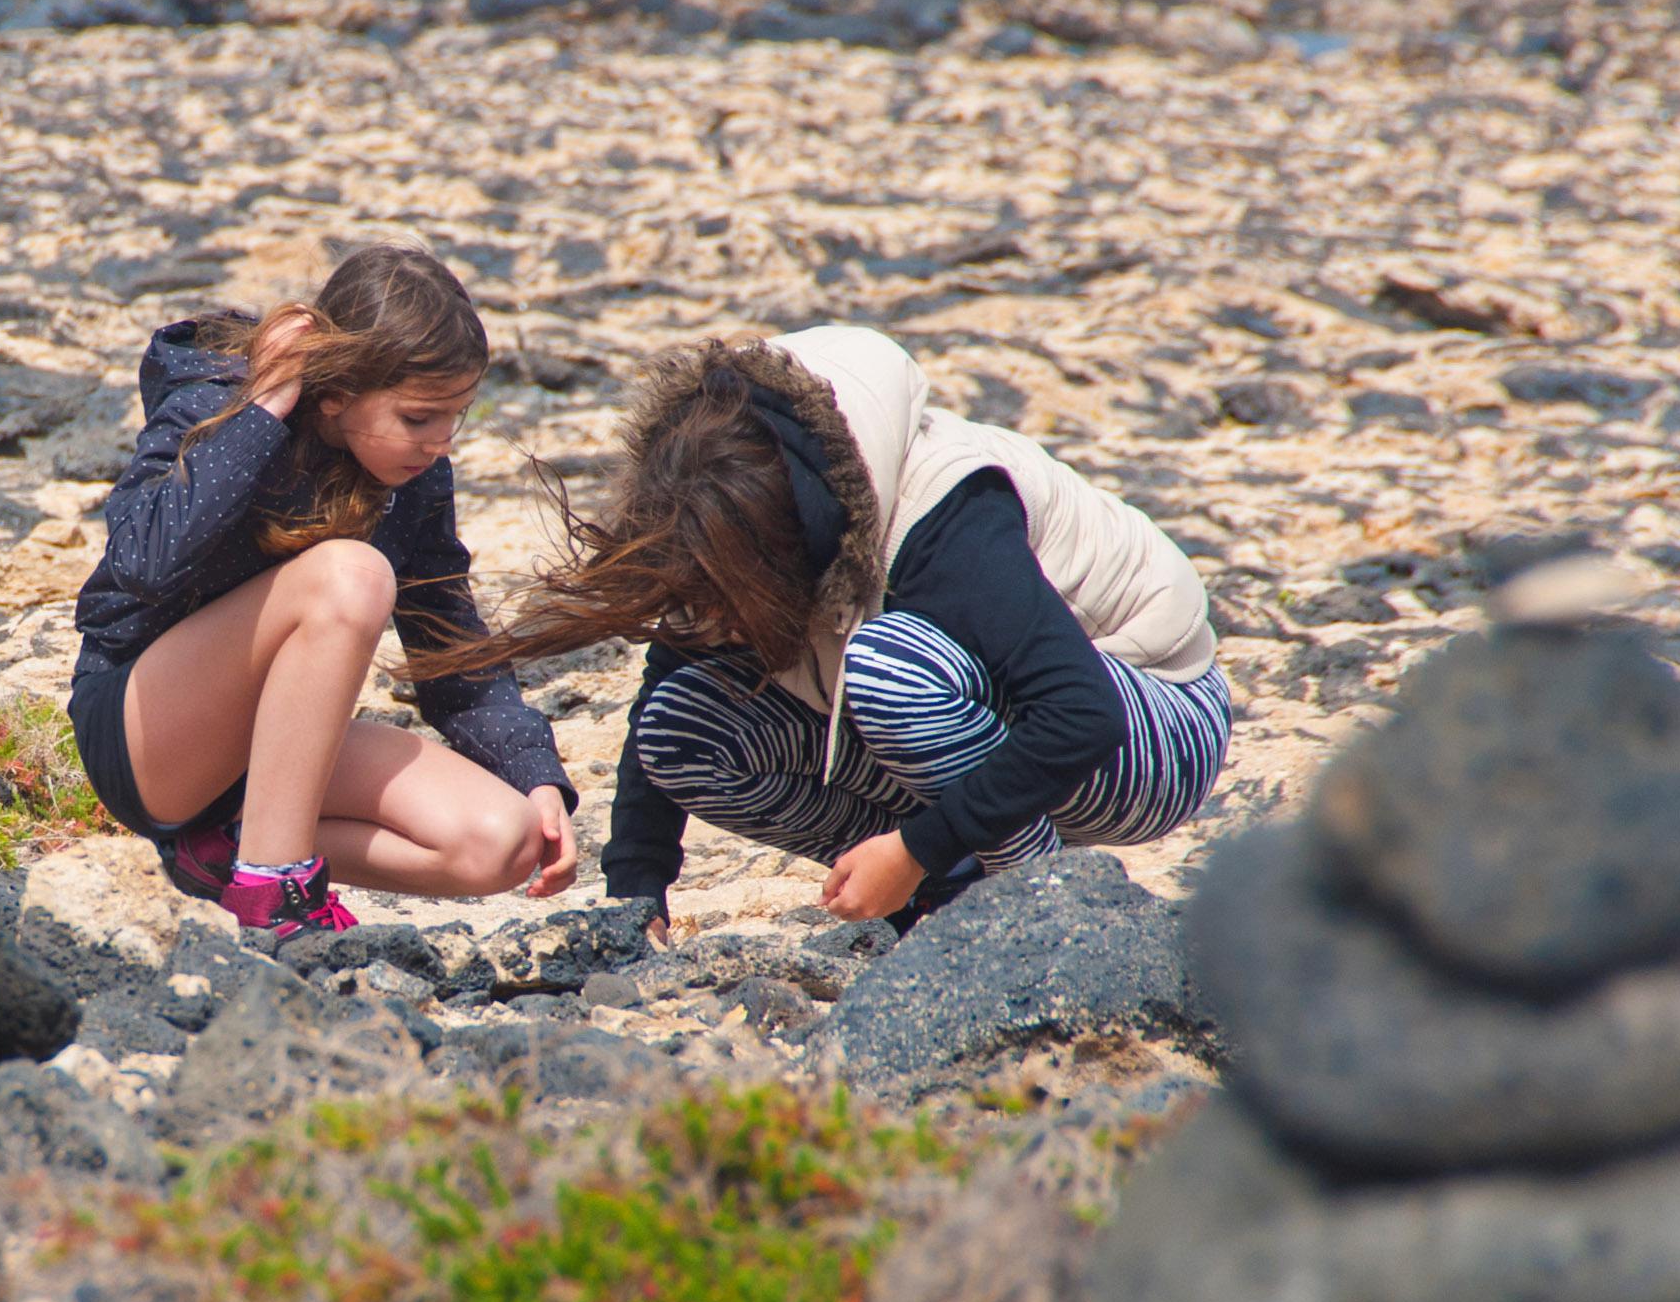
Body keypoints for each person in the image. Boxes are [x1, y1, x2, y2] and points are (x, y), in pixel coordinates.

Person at [441, 323, 1226, 935]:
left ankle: (1030, 913)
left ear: (790, 547)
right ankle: (947, 896)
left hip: (1151, 721)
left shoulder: (943, 512)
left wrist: (918, 845)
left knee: (887, 665)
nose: (710, 617)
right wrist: (636, 890)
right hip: (979, 729)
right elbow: (664, 684)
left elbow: (1078, 715)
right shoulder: (707, 505)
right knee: (678, 725)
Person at [69, 244, 579, 946]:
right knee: (352, 574)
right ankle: (272, 890)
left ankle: (222, 849)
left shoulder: (414, 479)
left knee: (500, 841)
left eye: (454, 416)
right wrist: (264, 407)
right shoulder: (218, 404)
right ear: (336, 392)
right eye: (417, 417)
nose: (438, 442)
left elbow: (450, 644)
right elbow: (139, 561)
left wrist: (537, 778)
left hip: (267, 759)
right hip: (146, 733)